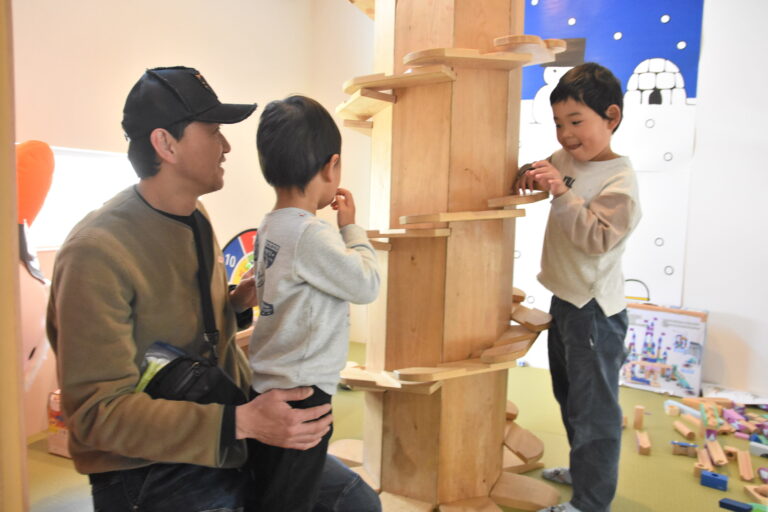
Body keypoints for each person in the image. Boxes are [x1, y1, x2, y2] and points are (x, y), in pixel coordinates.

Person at [46, 66, 380, 512]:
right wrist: (243, 422)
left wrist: (239, 304)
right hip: (143, 467)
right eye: (214, 132)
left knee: (354, 502)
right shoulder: (95, 253)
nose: (226, 146)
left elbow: (189, 330)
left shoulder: (195, 217)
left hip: (224, 423)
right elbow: (94, 415)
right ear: (166, 144)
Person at [516, 62, 641, 512]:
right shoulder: (567, 159)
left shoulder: (619, 183)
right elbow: (545, 172)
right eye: (558, 123)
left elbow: (595, 238)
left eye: (576, 122)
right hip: (565, 300)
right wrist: (531, 174)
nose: (566, 134)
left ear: (611, 118)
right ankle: (583, 471)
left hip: (594, 312)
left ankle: (591, 503)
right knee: (569, 399)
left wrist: (560, 194)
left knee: (596, 413)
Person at [245, 95, 380, 511]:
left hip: (270, 382)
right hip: (302, 392)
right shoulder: (312, 233)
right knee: (291, 496)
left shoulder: (270, 225)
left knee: (277, 487)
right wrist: (351, 228)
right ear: (330, 166)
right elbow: (366, 283)